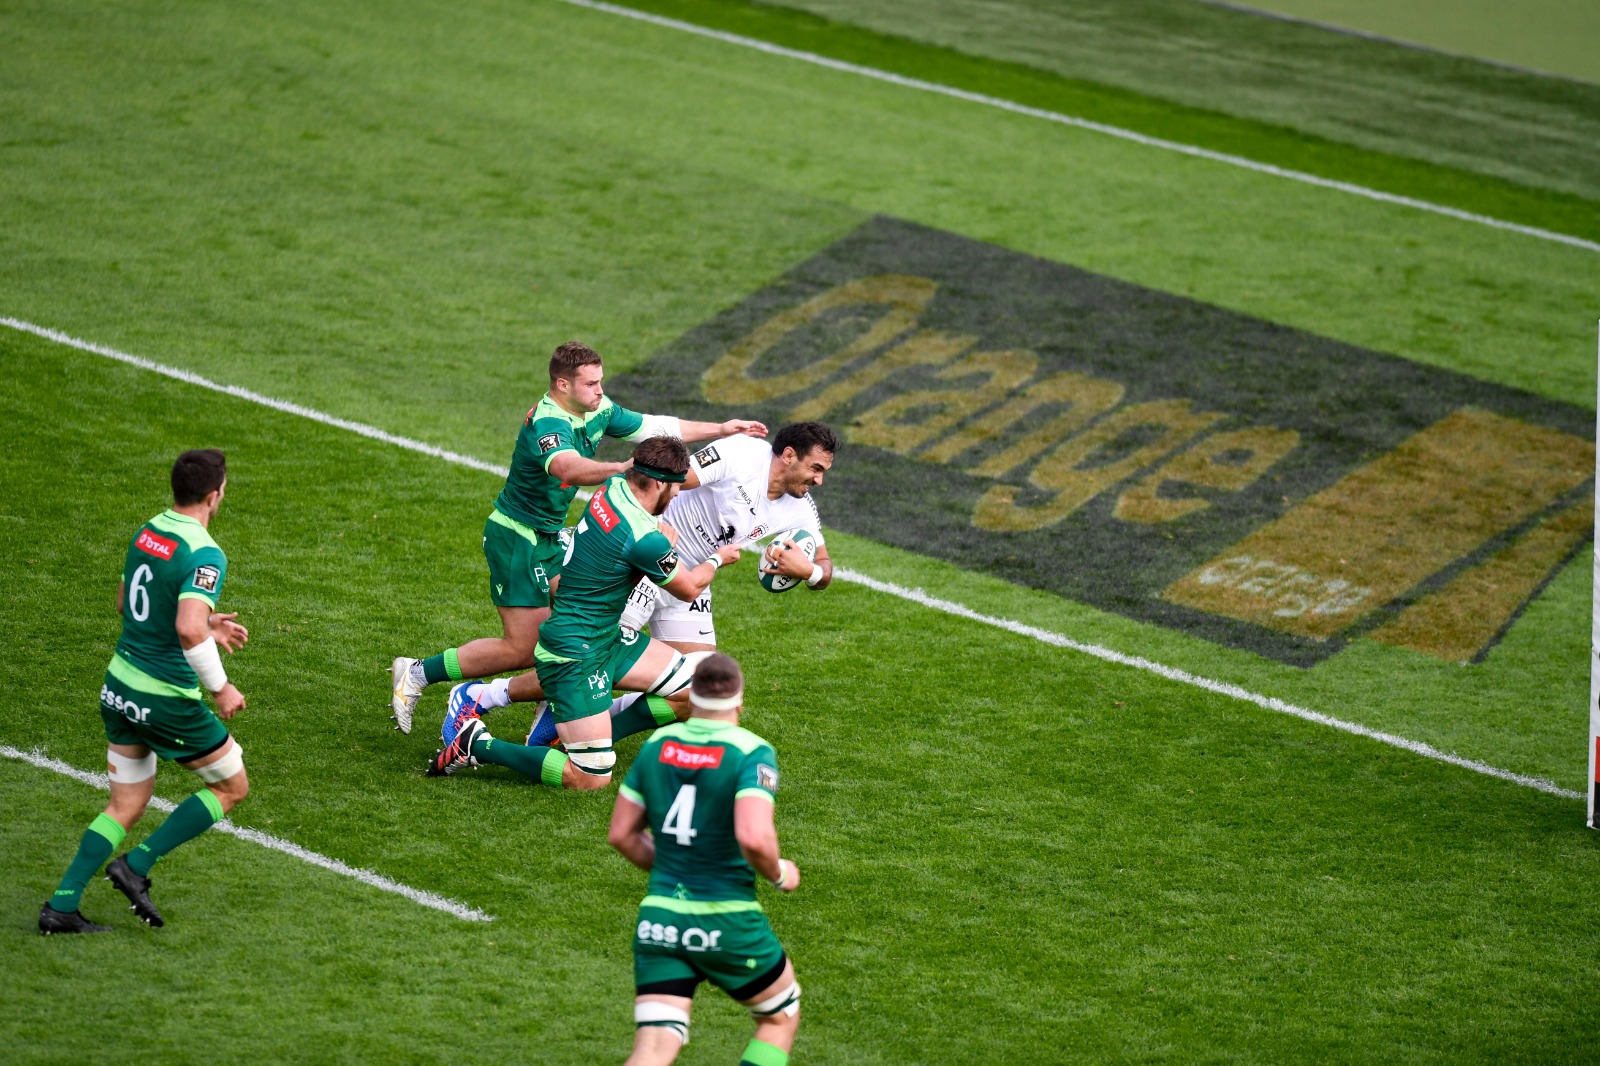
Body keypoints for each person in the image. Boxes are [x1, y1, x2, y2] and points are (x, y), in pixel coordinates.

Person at [389, 340, 765, 733]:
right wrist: (621, 468)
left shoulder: (595, 408)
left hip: (549, 537)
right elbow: (567, 468)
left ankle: (559, 706)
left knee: (581, 622)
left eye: (600, 381)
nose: (600, 391)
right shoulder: (549, 422)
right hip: (519, 539)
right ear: (563, 385)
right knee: (524, 647)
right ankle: (417, 673)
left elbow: (653, 426)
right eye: (591, 384)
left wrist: (720, 429)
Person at [425, 436, 741, 791]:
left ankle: (584, 736)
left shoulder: (614, 486)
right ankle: (477, 745)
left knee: (692, 690)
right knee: (590, 778)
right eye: (677, 486)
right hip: (575, 652)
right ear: (657, 482)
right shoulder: (644, 537)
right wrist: (718, 557)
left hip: (606, 636)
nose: (679, 494)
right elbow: (689, 587)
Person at [39, 449, 251, 933]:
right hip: (164, 700)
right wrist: (220, 687)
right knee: (231, 787)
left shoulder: (148, 531)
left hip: (118, 688)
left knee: (126, 804)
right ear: (215, 494)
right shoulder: (204, 552)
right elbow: (187, 630)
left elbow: (125, 603)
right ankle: (136, 866)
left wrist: (205, 620)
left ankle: (61, 907)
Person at [608, 653, 801, 1066]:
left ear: (689, 697)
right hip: (726, 919)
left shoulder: (656, 745)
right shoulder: (751, 751)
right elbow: (753, 836)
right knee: (779, 1017)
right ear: (739, 702)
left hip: (660, 920)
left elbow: (622, 835)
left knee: (656, 1048)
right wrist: (780, 874)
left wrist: (675, 866)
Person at [618, 421, 838, 656]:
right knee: (600, 660)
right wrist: (653, 527)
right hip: (652, 562)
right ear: (789, 455)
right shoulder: (740, 453)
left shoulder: (801, 509)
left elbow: (824, 567)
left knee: (701, 686)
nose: (819, 480)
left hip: (697, 579)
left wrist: (808, 571)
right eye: (815, 468)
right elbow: (666, 480)